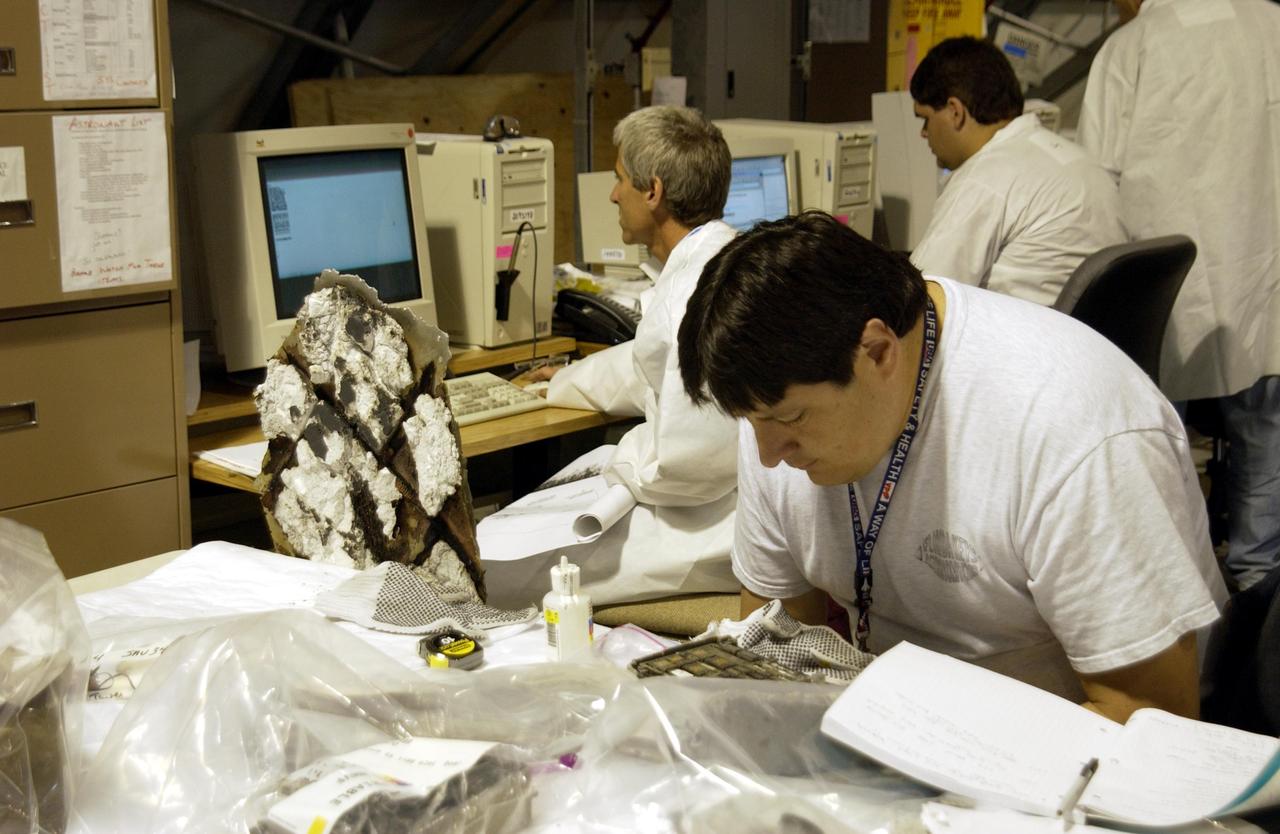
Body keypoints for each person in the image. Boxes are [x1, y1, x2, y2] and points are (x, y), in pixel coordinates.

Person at [678, 212, 1226, 722]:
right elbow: (778, 646)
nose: (769, 455)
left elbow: (1151, 720)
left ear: (876, 352)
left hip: (1056, 747)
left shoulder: (1071, 427)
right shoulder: (775, 414)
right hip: (893, 726)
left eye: (790, 418)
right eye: (750, 423)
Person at [483, 105, 740, 607]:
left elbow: (686, 467)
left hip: (709, 528)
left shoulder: (693, 296)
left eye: (621, 178)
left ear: (654, 191)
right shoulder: (718, 257)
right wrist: (562, 381)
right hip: (704, 506)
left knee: (487, 571)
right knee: (524, 519)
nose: (613, 193)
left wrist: (621, 463)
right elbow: (644, 368)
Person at [1078, 0, 1280, 593]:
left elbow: (1096, 176)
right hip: (1264, 283)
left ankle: (1177, 603)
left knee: (1157, 456)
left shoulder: (1134, 45)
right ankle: (1261, 606)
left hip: (1167, 294)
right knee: (1266, 446)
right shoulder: (1273, 24)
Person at [907, 37, 1127, 306]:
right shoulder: (1081, 163)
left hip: (1029, 342)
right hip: (1093, 342)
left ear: (955, 112)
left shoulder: (984, 178)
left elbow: (920, 301)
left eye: (925, 118)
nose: (923, 133)